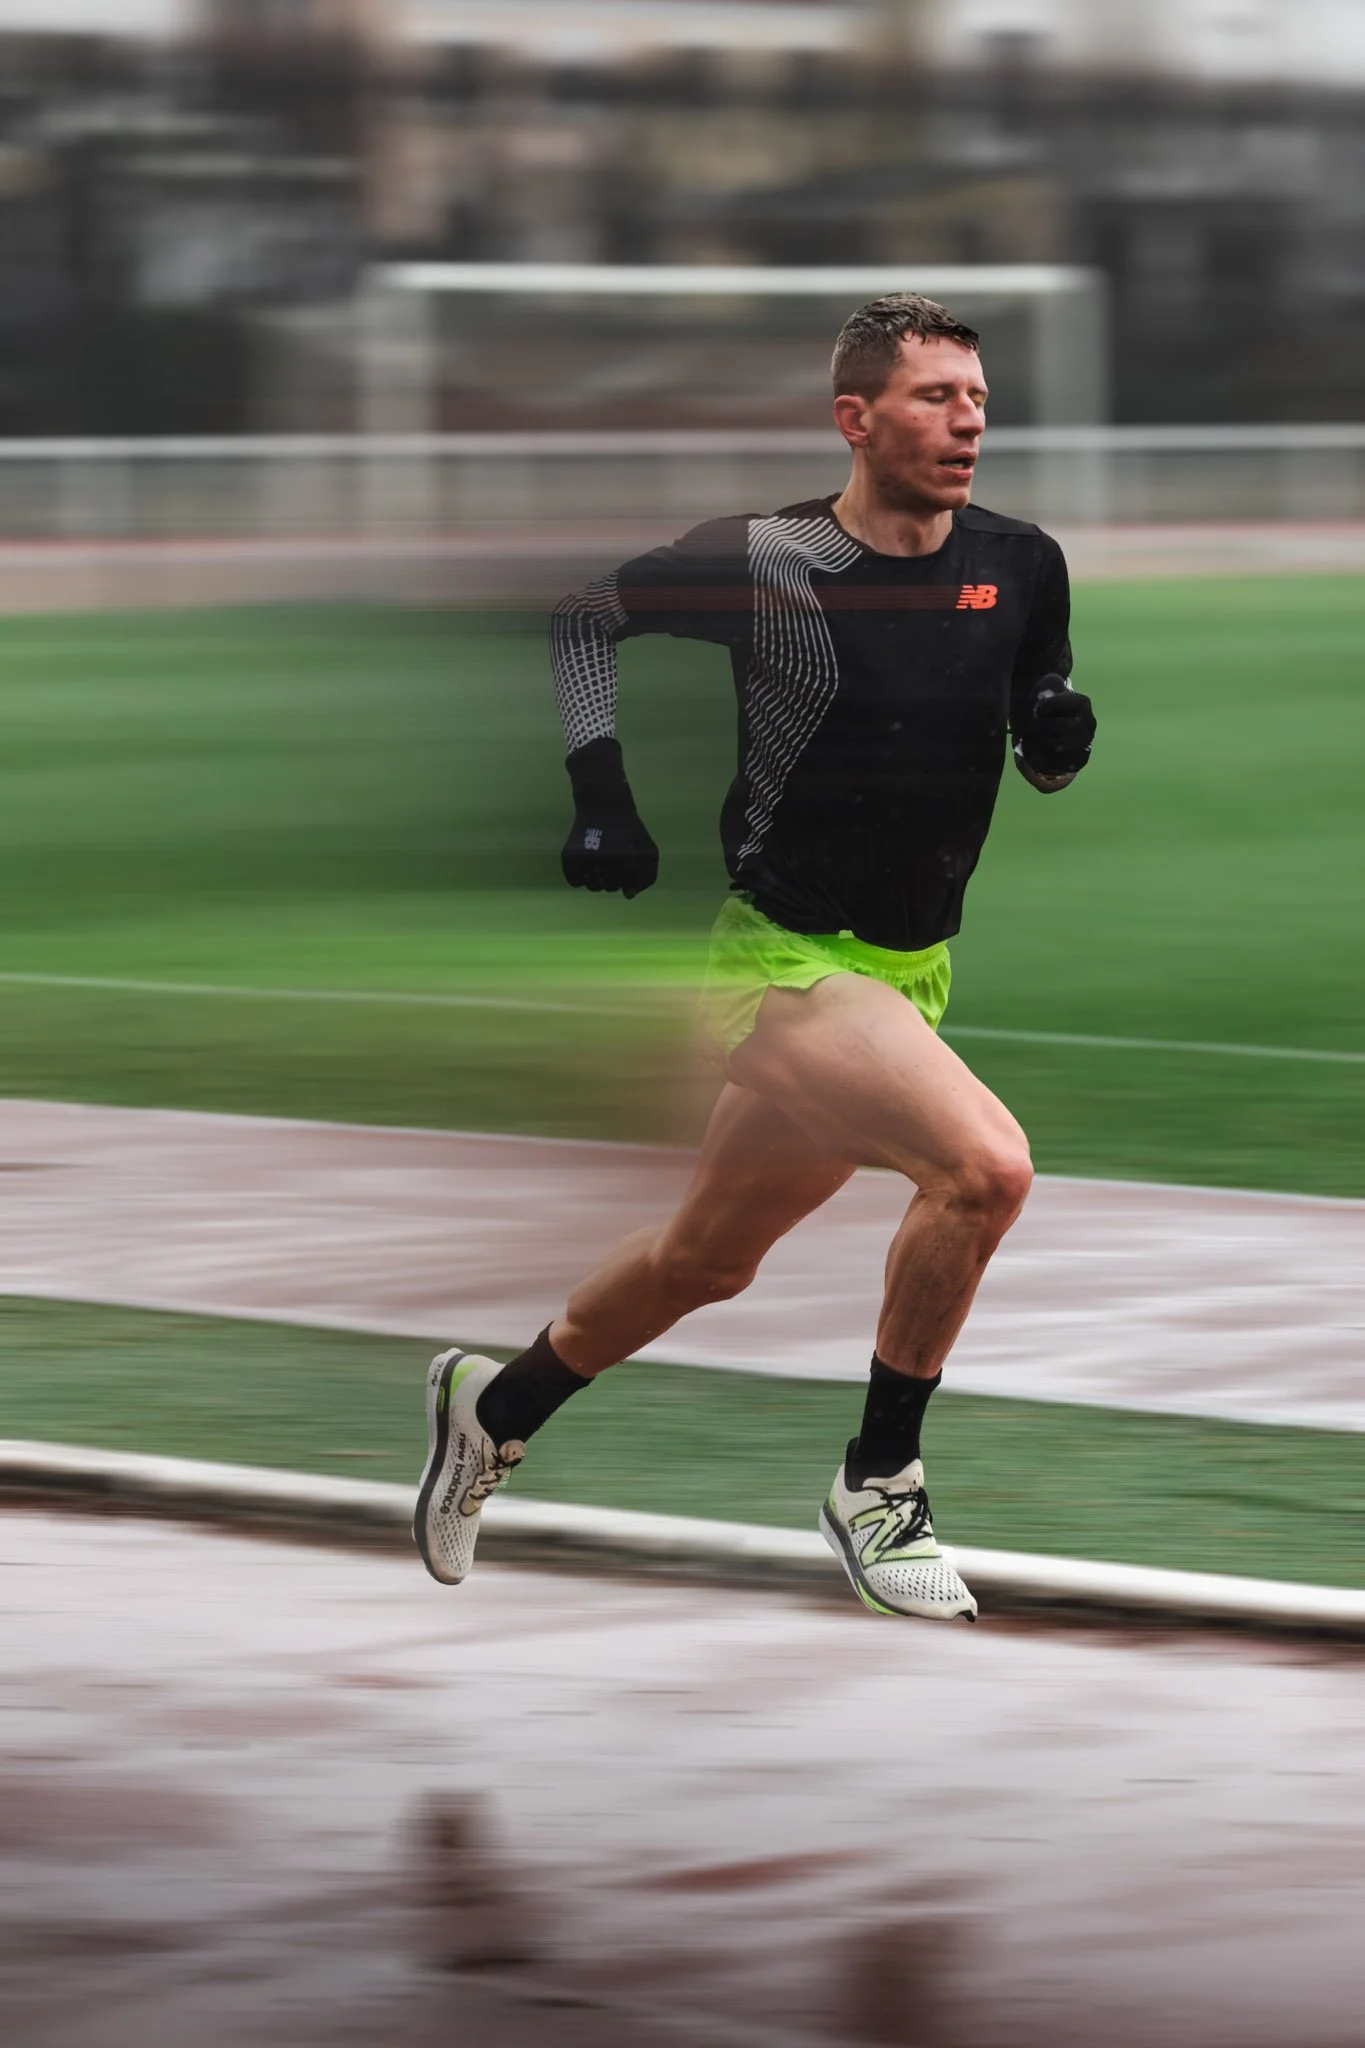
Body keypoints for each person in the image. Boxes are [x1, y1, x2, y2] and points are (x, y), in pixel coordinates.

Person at [414, 292, 1096, 1620]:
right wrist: (598, 791)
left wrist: (1058, 740)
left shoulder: (1025, 563)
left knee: (703, 1262)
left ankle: (493, 1404)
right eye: (934, 398)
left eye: (977, 399)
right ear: (856, 417)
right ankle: (879, 1482)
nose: (968, 421)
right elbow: (579, 620)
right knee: (983, 1171)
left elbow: (1039, 730)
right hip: (782, 964)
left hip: (908, 974)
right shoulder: (768, 558)